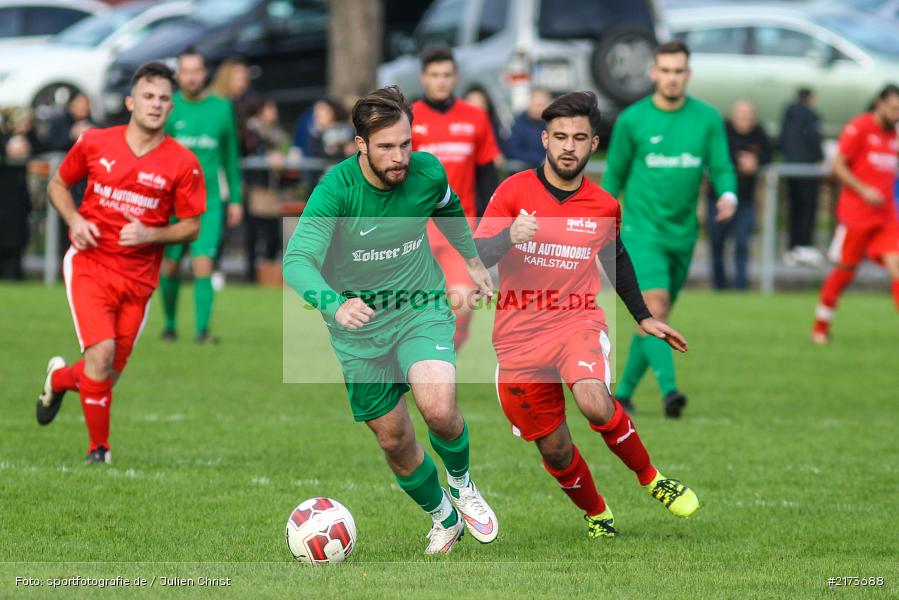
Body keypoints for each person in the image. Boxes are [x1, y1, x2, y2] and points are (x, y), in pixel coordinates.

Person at [282, 86, 498, 554]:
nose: (400, 156)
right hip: (358, 332)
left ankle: (462, 485)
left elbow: (448, 207)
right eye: (386, 147)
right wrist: (334, 303)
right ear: (360, 145)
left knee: (438, 409)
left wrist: (474, 261)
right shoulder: (335, 193)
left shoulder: (426, 172)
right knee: (395, 440)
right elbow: (296, 261)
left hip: (420, 306)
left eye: (406, 143)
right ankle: (443, 515)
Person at [474, 91, 698, 539]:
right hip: (517, 338)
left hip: (576, 321)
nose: (569, 146)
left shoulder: (603, 205)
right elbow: (476, 252)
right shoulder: (513, 191)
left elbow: (616, 257)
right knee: (556, 449)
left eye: (579, 137)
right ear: (545, 140)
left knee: (594, 399)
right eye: (560, 137)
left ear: (594, 144)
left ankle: (653, 479)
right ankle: (597, 513)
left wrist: (643, 315)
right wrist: (508, 237)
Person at [36, 62, 205, 463]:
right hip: (90, 265)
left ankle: (59, 380)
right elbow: (57, 184)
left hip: (140, 280)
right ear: (131, 101)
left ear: (171, 106)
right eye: (148, 96)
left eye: (164, 98)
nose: (156, 104)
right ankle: (100, 450)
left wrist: (151, 234)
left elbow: (191, 226)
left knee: (106, 375)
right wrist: (75, 219)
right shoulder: (95, 142)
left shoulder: (183, 162)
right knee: (102, 354)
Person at [602, 40, 736, 417]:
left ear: (687, 74)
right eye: (666, 70)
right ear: (653, 73)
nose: (672, 78)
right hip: (641, 234)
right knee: (655, 308)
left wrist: (728, 195)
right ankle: (670, 393)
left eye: (679, 71)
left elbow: (722, 166)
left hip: (684, 236)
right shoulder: (632, 120)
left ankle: (624, 394)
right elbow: (614, 175)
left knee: (654, 320)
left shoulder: (707, 118)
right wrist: (596, 223)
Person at [411, 47, 501, 351]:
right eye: (434, 75)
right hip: (417, 229)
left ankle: (444, 355)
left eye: (446, 75)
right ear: (424, 77)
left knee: (462, 303)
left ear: (456, 77)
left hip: (460, 228)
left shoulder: (475, 118)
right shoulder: (408, 118)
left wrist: (489, 225)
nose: (441, 81)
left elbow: (488, 176)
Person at [159, 48, 243, 343]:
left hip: (208, 203)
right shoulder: (168, 108)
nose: (191, 77)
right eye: (186, 71)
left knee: (203, 262)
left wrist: (235, 198)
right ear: (178, 75)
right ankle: (169, 325)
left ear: (204, 73)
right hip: (172, 203)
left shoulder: (222, 108)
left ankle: (202, 331)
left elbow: (230, 159)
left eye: (196, 71)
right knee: (170, 265)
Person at [812, 84, 899, 344]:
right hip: (856, 215)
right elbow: (837, 165)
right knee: (845, 271)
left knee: (897, 266)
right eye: (894, 108)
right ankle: (820, 327)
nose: (897, 114)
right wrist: (863, 189)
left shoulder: (893, 135)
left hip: (884, 216)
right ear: (880, 104)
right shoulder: (859, 127)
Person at [707, 100, 772, 290]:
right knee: (717, 244)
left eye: (750, 116)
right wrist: (738, 160)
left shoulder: (759, 133)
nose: (746, 120)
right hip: (717, 200)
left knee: (743, 243)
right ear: (734, 116)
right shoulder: (722, 131)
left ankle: (740, 287)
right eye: (742, 116)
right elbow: (715, 154)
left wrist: (757, 161)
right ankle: (719, 286)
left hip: (745, 200)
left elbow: (770, 153)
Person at [243, 97, 289, 282]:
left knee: (272, 234)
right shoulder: (252, 130)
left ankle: (268, 274)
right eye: (270, 108)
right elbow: (247, 151)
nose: (273, 112)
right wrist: (266, 156)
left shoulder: (278, 132)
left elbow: (285, 148)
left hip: (273, 189)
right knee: (254, 232)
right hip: (257, 188)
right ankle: (251, 275)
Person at [780, 88, 825, 267]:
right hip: (807, 167)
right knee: (807, 207)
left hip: (790, 166)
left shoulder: (787, 114)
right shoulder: (811, 115)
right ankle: (804, 245)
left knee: (794, 208)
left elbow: (782, 139)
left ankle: (793, 247)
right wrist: (819, 157)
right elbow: (814, 138)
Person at [0, 108, 38, 280]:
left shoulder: (33, 140)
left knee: (15, 245)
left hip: (18, 202)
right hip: (6, 198)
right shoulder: (5, 141)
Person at [503, 87, 553, 168]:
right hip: (527, 170)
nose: (540, 109)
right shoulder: (519, 124)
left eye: (543, 105)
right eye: (537, 105)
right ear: (529, 104)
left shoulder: (554, 124)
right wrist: (539, 159)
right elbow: (512, 149)